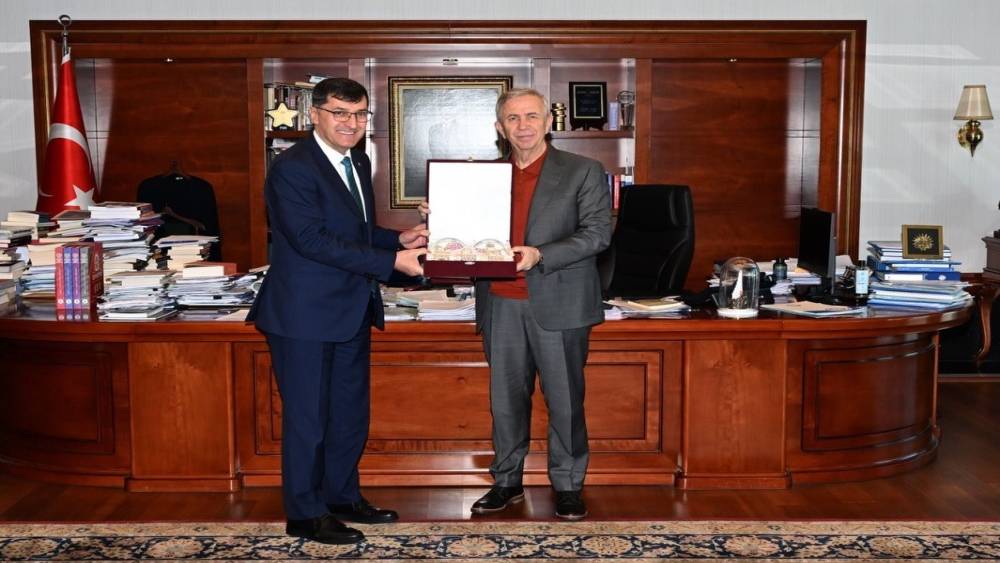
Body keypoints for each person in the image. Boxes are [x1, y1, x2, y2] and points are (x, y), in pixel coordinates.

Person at [249, 77, 427, 545]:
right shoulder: (292, 168)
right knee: (308, 418)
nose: (351, 123)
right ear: (314, 115)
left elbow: (354, 232)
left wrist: (398, 239)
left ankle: (341, 497)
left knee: (348, 414)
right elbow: (311, 240)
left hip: (351, 308)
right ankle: (305, 514)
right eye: (340, 113)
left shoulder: (357, 159)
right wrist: (392, 263)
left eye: (360, 114)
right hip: (304, 315)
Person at [471, 88, 612, 520]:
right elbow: (471, 236)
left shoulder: (583, 170)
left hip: (561, 301)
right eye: (512, 119)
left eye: (532, 116)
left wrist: (540, 254)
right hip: (500, 302)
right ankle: (506, 481)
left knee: (565, 400)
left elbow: (597, 234)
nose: (523, 126)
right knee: (505, 401)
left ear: (549, 122)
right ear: (500, 128)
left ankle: (567, 485)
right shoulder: (483, 177)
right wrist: (441, 218)